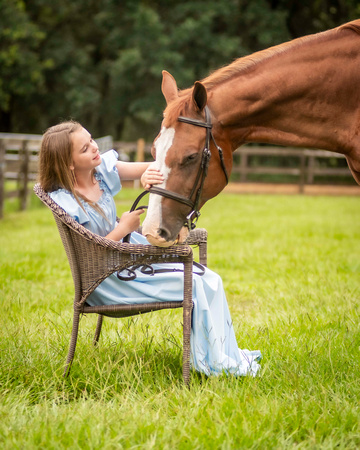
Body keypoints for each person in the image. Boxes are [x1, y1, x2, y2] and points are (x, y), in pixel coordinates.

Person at [39, 121, 261, 377]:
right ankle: (212, 363)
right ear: (69, 163)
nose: (94, 148)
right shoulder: (67, 201)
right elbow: (92, 252)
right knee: (198, 283)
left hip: (128, 261)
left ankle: (222, 354)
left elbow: (154, 167)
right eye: (85, 148)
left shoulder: (99, 171)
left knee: (210, 279)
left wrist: (147, 175)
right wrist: (124, 228)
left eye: (91, 140)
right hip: (108, 282)